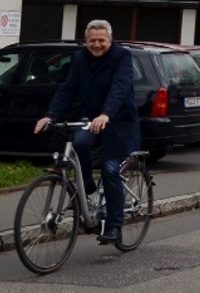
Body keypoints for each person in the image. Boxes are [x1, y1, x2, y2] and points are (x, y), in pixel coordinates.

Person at [34, 20, 139, 246]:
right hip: (91, 119)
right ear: (86, 41)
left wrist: (106, 114)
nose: (97, 45)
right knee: (80, 144)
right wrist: (50, 115)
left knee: (111, 169)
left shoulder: (122, 57)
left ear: (110, 40)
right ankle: (87, 184)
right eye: (92, 41)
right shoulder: (80, 58)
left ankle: (114, 225)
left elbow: (120, 87)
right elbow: (68, 88)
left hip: (118, 120)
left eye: (102, 40)